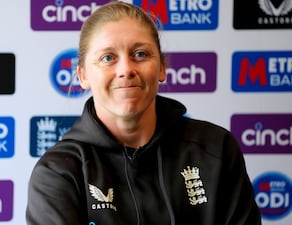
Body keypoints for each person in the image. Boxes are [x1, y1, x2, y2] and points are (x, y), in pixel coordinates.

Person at [26, 1, 262, 225]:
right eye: (108, 58)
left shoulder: (215, 148)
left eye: (140, 54)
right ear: (83, 75)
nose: (126, 69)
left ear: (161, 67)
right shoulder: (58, 172)